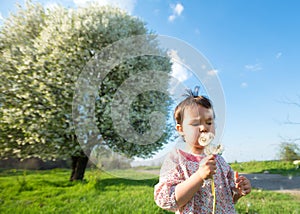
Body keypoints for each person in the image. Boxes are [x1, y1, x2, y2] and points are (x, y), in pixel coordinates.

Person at [154, 87, 251, 213]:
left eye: (209, 122)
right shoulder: (177, 160)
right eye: (195, 124)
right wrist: (199, 176)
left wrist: (238, 191)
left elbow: (227, 199)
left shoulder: (219, 161)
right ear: (180, 129)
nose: (204, 128)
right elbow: (166, 200)